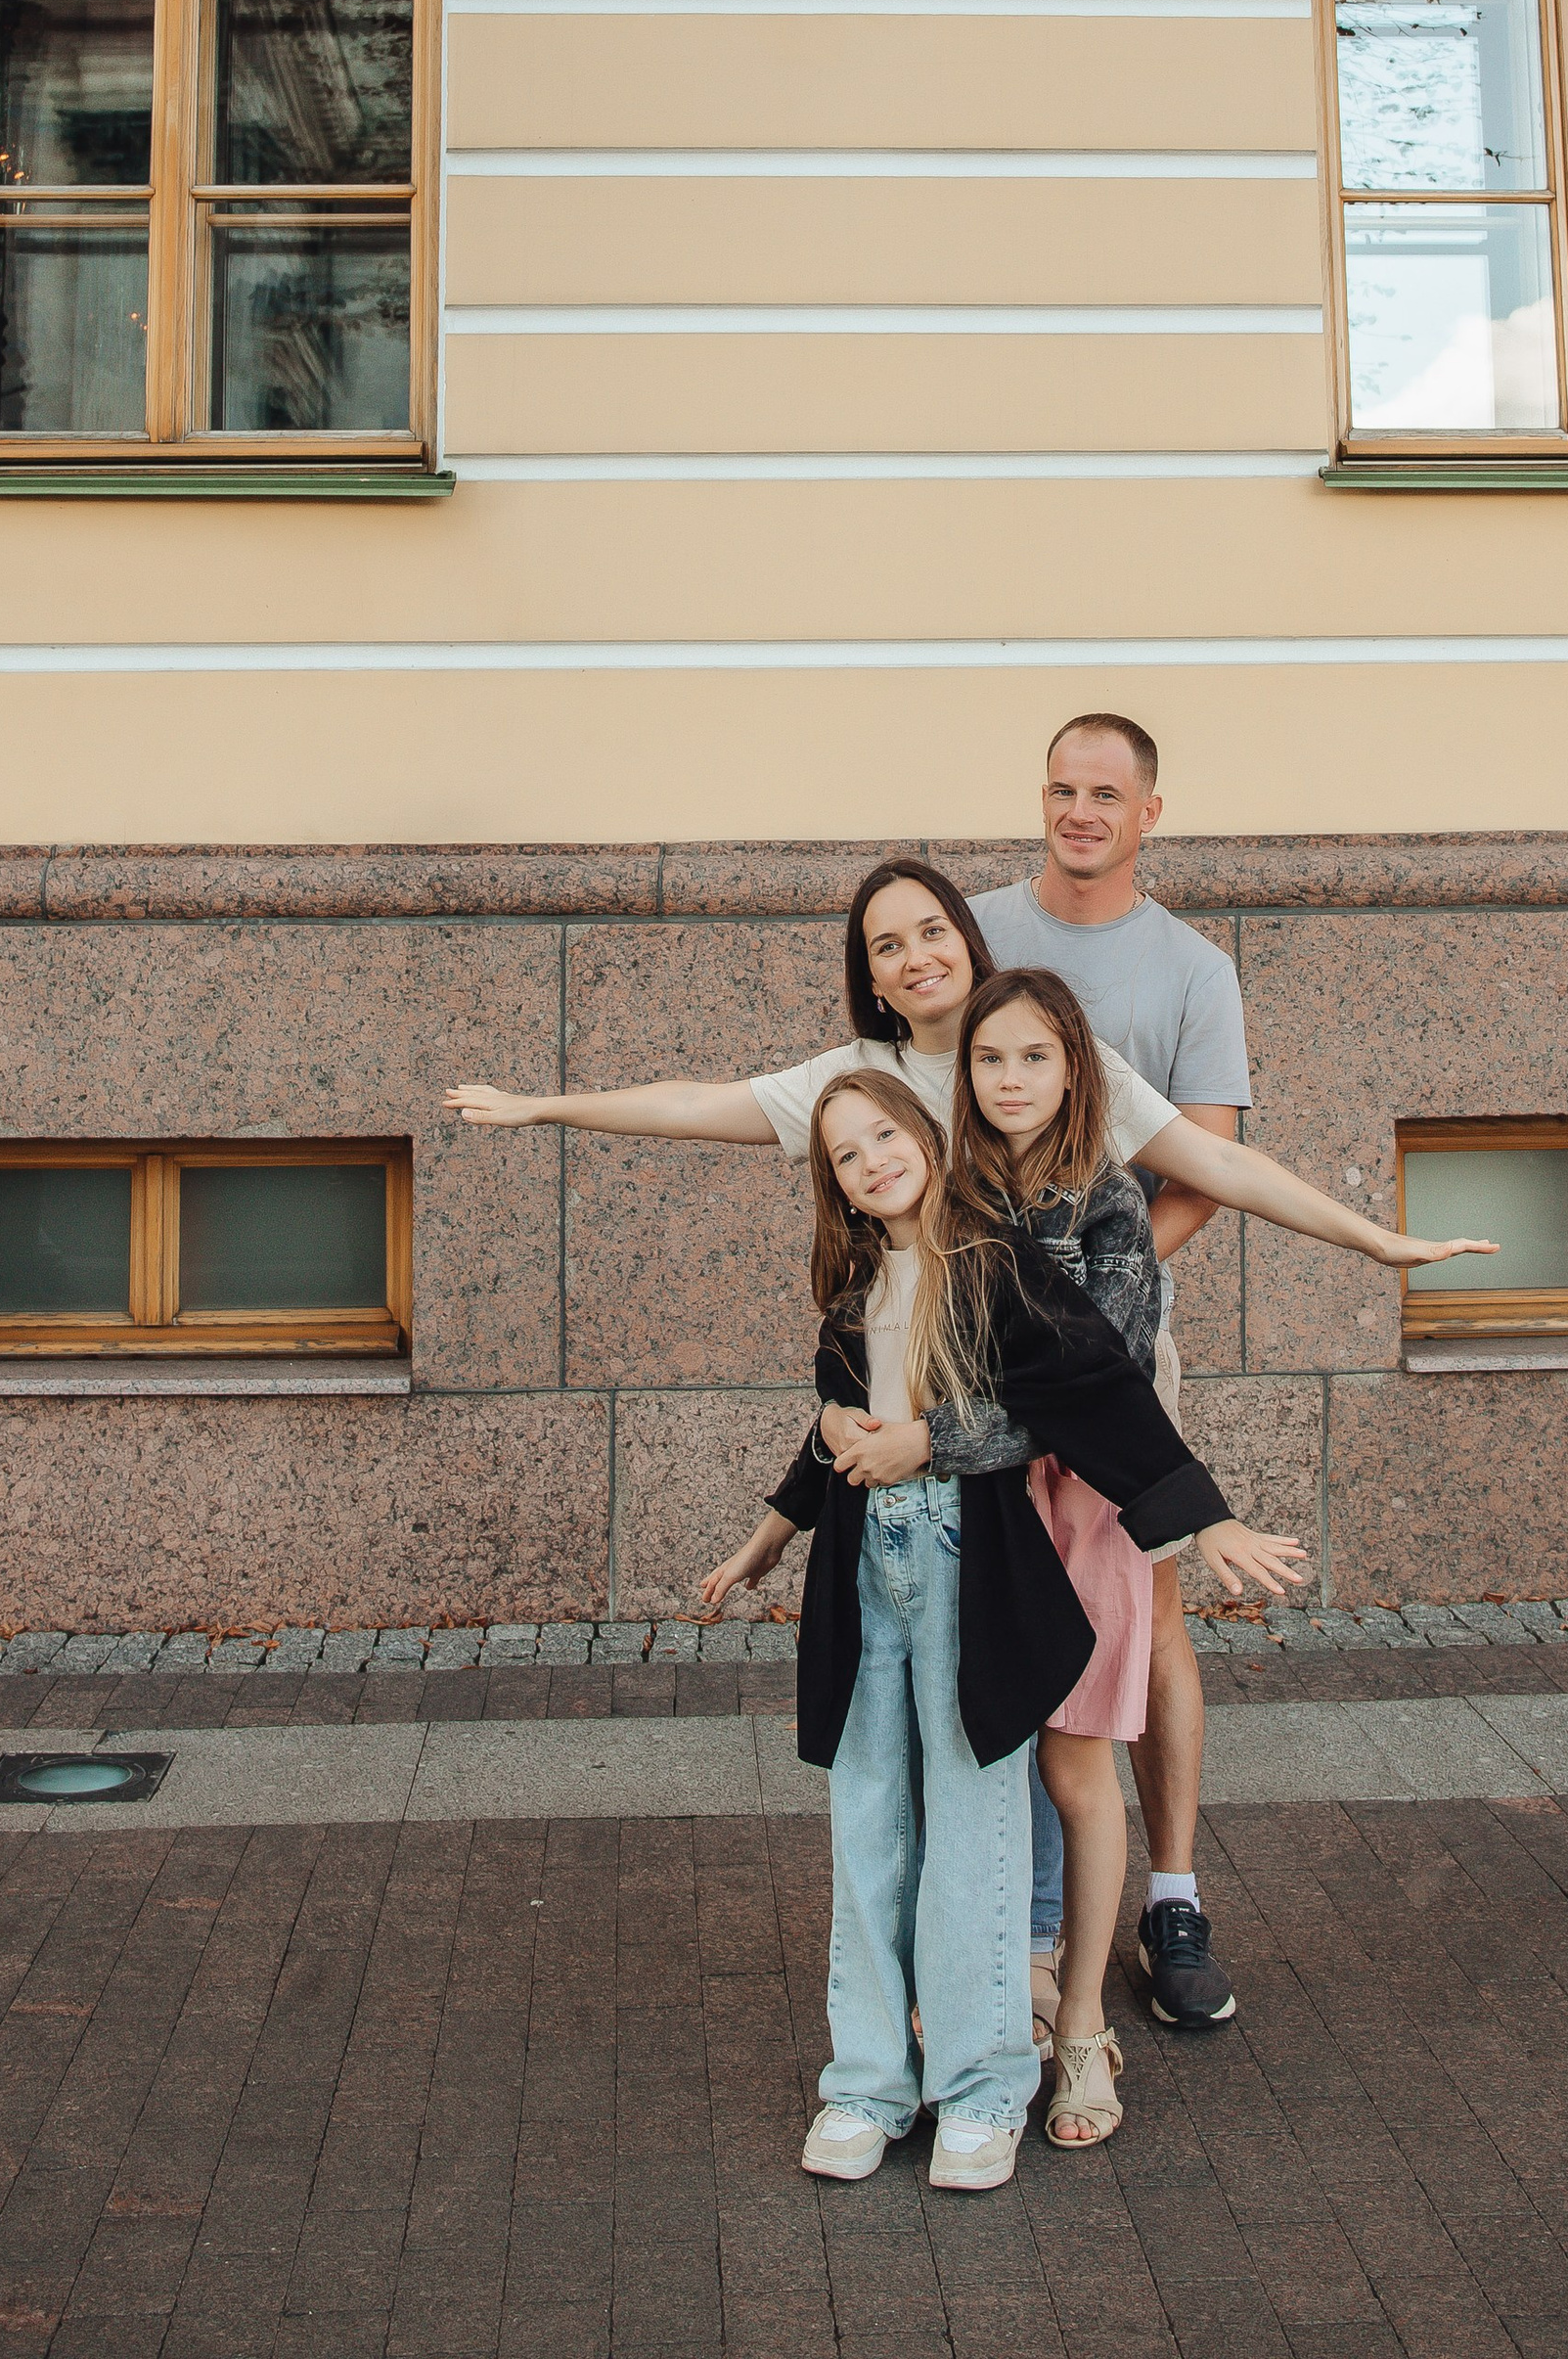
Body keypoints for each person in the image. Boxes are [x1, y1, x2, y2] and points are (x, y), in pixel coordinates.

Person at [448, 837, 1493, 2029]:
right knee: (989, 1704)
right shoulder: (866, 1081)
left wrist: (1375, 1240)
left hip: (1083, 1423)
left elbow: (1214, 1162)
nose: (916, 956)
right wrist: (544, 1106)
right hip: (959, 1457)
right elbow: (702, 1103)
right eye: (886, 945)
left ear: (968, 935)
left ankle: (1113, 1940)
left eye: (931, 929)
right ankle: (1010, 1964)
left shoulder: (1048, 1051)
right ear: (871, 978)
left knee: (1086, 1698)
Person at [697, 1070, 1307, 2191]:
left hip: (969, 1565)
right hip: (862, 1573)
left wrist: (1205, 1518)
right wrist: (765, 1539)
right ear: (833, 1185)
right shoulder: (853, 1288)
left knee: (977, 1829)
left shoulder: (998, 1263)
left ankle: (982, 2088)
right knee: (868, 1825)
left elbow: (1095, 1390)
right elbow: (833, 1426)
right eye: (844, 1154)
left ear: (926, 1137)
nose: (873, 1159)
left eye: (885, 1133)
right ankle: (866, 2084)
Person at [972, 711, 1253, 2029]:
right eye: (1061, 788)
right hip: (976, 1355)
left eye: (1104, 792)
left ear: (1149, 813)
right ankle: (1022, 1923)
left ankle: (1173, 1898)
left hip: (1118, 1352)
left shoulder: (1192, 968)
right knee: (1011, 1617)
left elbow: (1206, 1165)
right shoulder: (976, 933)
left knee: (1152, 1618)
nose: (1078, 810)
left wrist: (1084, 1304)